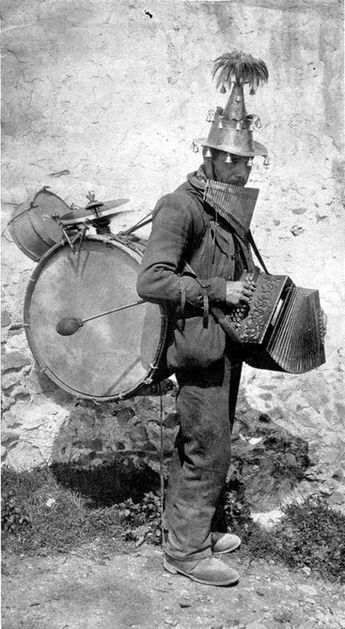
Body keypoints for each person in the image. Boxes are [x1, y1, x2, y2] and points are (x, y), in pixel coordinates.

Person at [137, 51, 270, 587]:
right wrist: (216, 289)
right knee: (207, 447)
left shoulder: (226, 206)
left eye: (248, 162)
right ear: (209, 156)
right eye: (232, 160)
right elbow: (150, 281)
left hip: (225, 344)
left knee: (206, 441)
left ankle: (190, 529)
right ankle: (185, 555)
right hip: (195, 346)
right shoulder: (181, 205)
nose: (242, 169)